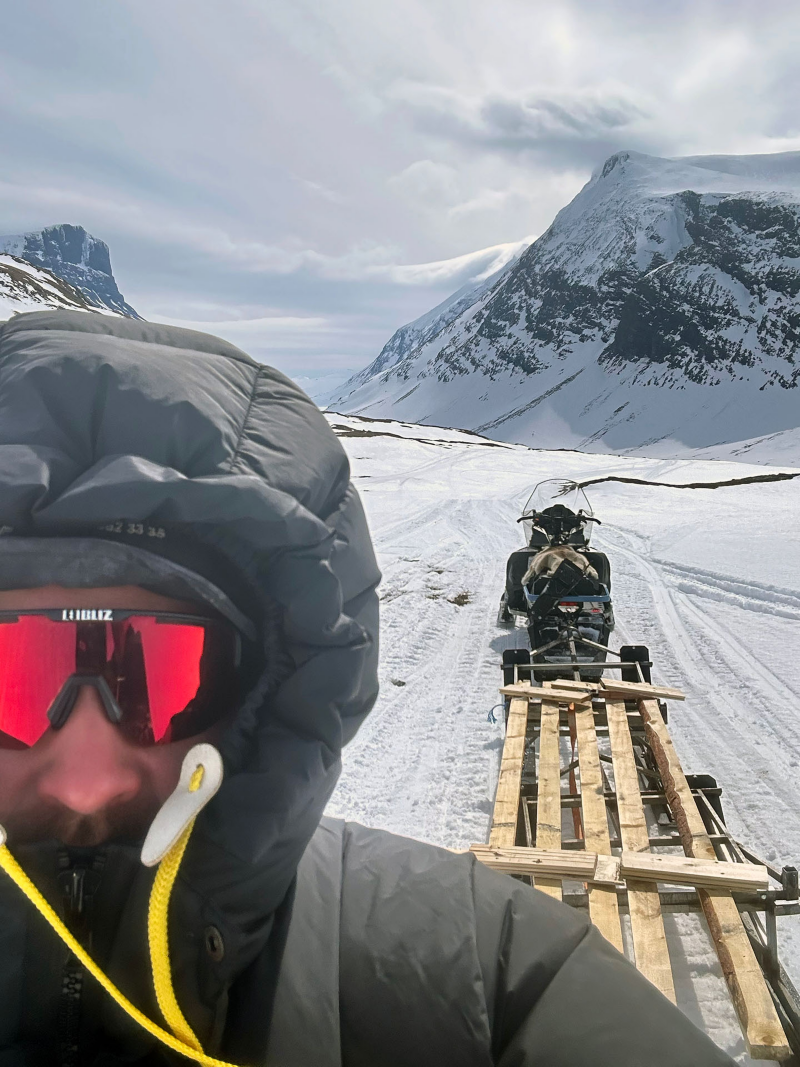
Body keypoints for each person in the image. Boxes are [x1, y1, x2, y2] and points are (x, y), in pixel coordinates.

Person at [0, 309, 735, 1066]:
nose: (86, 781)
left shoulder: (481, 973)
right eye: (12, 675)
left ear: (266, 689)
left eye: (160, 673)